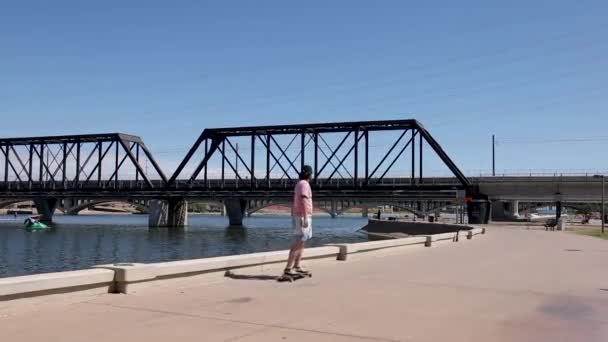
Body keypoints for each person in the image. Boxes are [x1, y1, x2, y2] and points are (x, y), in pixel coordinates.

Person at [283, 165, 313, 277]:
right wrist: (305, 217)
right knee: (298, 241)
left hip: (302, 215)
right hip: (302, 216)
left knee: (301, 241)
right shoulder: (304, 184)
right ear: (310, 174)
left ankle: (297, 266)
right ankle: (288, 268)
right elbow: (304, 200)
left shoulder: (301, 184)